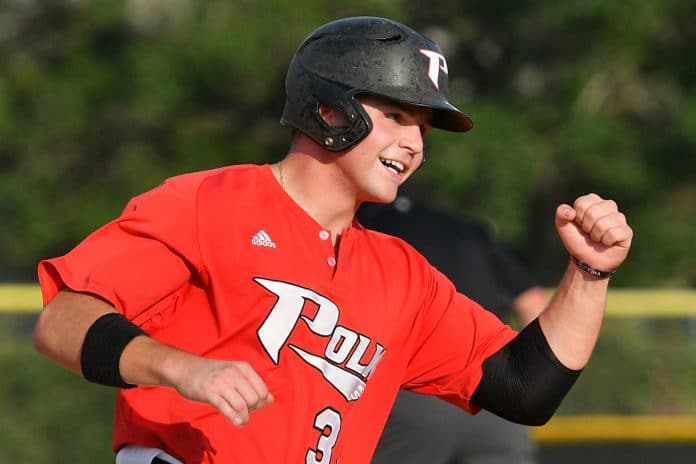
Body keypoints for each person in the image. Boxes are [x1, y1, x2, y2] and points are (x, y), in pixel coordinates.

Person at [32, 16, 633, 464]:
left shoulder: (401, 275)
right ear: (330, 110)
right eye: (398, 115)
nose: (415, 144)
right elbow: (62, 321)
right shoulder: (209, 203)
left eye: (424, 129)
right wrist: (180, 368)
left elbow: (525, 389)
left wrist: (589, 274)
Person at [358, 196, 550, 463]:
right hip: (495, 398)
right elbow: (534, 301)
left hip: (411, 398)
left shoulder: (364, 226)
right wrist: (526, 382)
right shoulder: (468, 229)